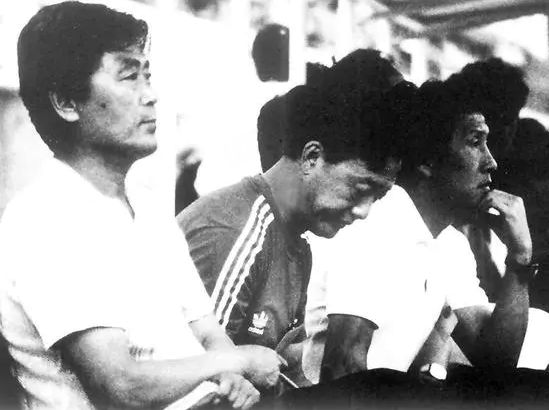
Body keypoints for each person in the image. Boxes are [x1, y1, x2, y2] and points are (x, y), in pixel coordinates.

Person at [0, 2, 283, 409]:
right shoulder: (44, 220)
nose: (151, 95)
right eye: (129, 76)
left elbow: (207, 331)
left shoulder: (147, 208)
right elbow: (120, 386)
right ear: (66, 103)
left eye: (147, 76)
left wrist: (227, 372)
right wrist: (233, 361)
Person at [178, 49, 413, 386]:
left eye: (378, 197)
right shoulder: (234, 230)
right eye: (360, 189)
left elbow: (283, 371)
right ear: (311, 157)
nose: (364, 211)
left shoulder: (298, 245)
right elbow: (199, 381)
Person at [314, 77, 536, 386]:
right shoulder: (377, 224)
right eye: (475, 142)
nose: (491, 162)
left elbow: (496, 362)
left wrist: (520, 257)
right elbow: (342, 367)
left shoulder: (450, 244)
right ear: (428, 160)